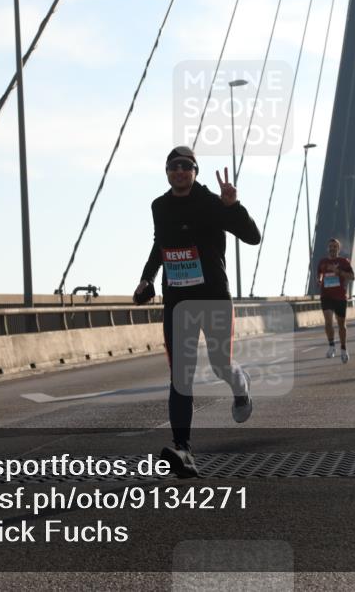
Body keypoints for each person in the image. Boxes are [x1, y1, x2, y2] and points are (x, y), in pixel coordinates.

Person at [135, 146, 261, 478]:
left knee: (220, 364)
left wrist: (233, 207)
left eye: (186, 166)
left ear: (195, 171)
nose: (179, 171)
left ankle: (240, 385)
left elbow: (253, 237)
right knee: (181, 376)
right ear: (166, 171)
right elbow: (159, 245)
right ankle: (183, 449)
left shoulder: (210, 203)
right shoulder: (159, 206)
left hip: (214, 298)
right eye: (173, 166)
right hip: (178, 303)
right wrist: (147, 278)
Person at [317, 238, 355, 363]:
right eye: (330, 246)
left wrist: (338, 271)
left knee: (341, 325)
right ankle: (331, 346)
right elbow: (319, 274)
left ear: (338, 249)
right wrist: (319, 280)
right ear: (328, 248)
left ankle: (343, 348)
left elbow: (352, 277)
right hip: (326, 296)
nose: (332, 248)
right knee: (328, 322)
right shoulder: (323, 261)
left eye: (335, 246)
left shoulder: (343, 261)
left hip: (339, 297)